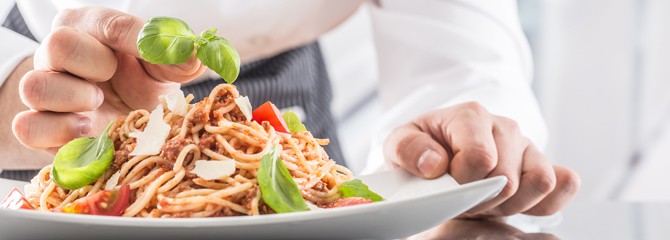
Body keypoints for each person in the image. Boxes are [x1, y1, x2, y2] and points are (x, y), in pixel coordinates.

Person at [0, 0, 578, 226]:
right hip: (51, 68)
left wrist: (454, 140)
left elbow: (456, 53)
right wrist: (13, 95)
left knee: (309, 192)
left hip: (286, 85)